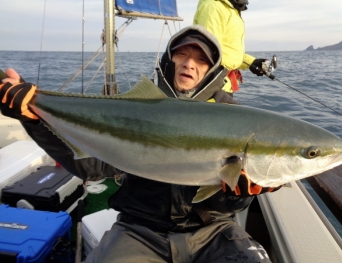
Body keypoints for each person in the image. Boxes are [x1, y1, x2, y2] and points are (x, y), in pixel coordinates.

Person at [0, 25, 279, 262]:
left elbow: (234, 199)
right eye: (182, 53)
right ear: (170, 60)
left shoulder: (235, 117)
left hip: (213, 231)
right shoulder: (136, 109)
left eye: (201, 59)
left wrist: (239, 193)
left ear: (212, 70)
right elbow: (91, 167)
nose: (189, 63)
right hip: (139, 230)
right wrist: (34, 119)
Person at [193, 0, 268, 93]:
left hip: (222, 85)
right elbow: (208, 51)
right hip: (212, 87)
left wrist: (251, 62)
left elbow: (226, 50)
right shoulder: (214, 6)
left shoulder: (230, 9)